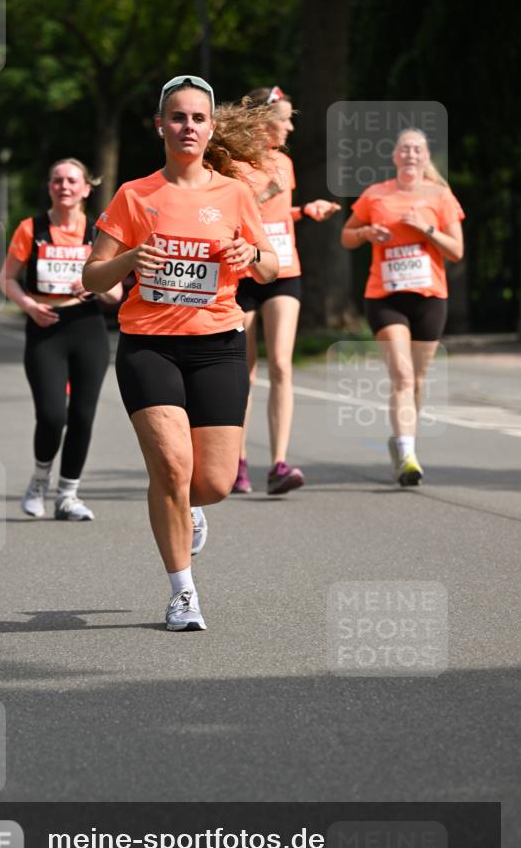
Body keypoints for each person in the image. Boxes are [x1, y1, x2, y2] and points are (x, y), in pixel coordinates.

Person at [83, 75, 278, 631]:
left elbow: (270, 267)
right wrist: (128, 261)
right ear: (159, 126)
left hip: (218, 345)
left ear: (210, 128)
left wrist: (249, 251)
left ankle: (187, 506)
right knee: (170, 466)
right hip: (149, 346)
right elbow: (93, 276)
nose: (187, 126)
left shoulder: (235, 194)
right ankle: (182, 591)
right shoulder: (135, 196)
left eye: (197, 118)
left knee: (212, 482)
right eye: (177, 117)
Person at [232, 85, 341, 495]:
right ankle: (236, 461)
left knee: (280, 364)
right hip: (243, 274)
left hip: (284, 269)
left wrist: (303, 211)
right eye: (286, 119)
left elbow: (277, 216)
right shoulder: (233, 166)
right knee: (243, 370)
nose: (290, 126)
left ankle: (278, 463)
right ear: (263, 122)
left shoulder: (285, 164)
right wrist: (262, 195)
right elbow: (230, 218)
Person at [0, 158, 122, 521]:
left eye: (71, 181)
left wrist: (93, 283)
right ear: (49, 187)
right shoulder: (31, 228)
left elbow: (116, 293)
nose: (64, 186)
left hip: (86, 325)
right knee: (52, 415)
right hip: (45, 326)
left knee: (82, 415)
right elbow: (7, 279)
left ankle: (68, 494)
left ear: (86, 188)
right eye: (57, 180)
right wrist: (28, 305)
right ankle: (39, 479)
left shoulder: (98, 231)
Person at [341, 127, 464, 485]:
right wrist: (366, 234)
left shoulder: (440, 196)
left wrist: (426, 228)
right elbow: (346, 236)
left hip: (429, 298)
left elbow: (456, 251)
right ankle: (407, 455)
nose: (410, 154)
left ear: (426, 158)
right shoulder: (375, 194)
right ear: (395, 157)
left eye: (417, 150)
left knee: (419, 379)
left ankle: (405, 441)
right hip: (385, 296)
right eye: (404, 149)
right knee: (402, 375)